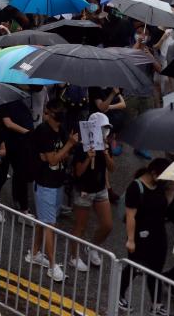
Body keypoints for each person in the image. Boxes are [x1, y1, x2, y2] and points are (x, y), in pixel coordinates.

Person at [26, 99, 76, 283]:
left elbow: (62, 156)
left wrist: (61, 152)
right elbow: (54, 159)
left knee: (44, 221)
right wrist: (68, 145)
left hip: (57, 182)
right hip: (45, 184)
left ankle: (34, 253)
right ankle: (52, 265)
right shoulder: (43, 131)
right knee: (50, 225)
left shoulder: (61, 130)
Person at [119, 158, 174, 312]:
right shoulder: (136, 187)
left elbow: (164, 207)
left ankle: (156, 304)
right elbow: (130, 216)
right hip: (140, 236)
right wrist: (131, 240)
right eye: (163, 177)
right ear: (153, 173)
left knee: (156, 271)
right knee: (133, 268)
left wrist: (172, 190)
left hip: (158, 235)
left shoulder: (160, 186)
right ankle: (119, 295)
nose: (164, 181)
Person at [70, 112, 114, 273]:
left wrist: (106, 154)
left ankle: (92, 247)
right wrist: (89, 158)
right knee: (80, 226)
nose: (104, 132)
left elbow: (112, 168)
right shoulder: (81, 146)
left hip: (100, 190)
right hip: (84, 191)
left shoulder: (106, 145)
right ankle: (73, 257)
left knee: (107, 225)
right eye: (102, 128)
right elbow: (78, 172)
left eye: (106, 128)